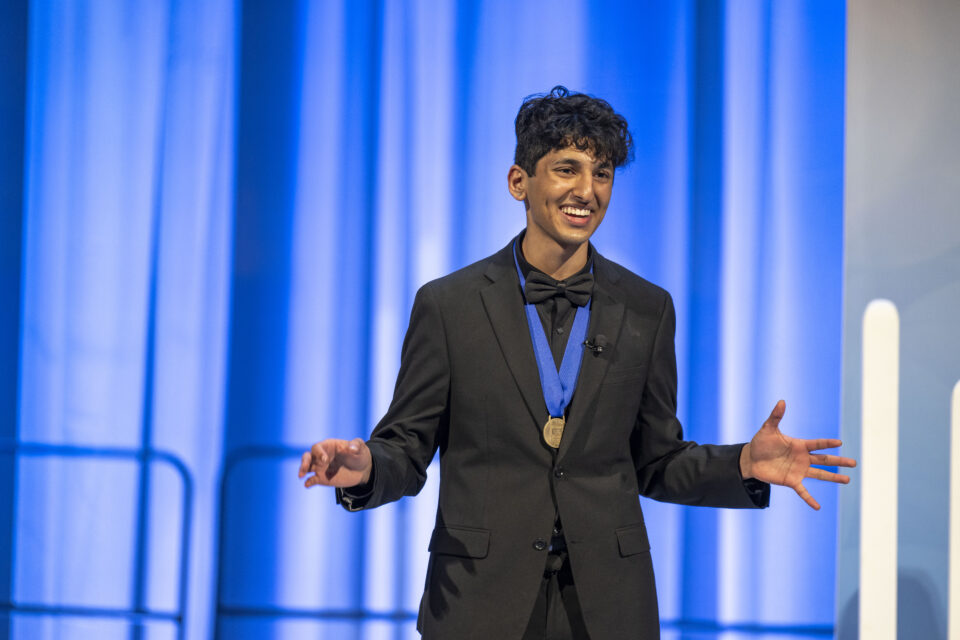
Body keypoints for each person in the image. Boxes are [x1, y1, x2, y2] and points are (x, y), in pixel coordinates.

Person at [299, 86, 855, 640]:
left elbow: (656, 459)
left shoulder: (647, 307)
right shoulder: (449, 305)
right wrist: (366, 467)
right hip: (478, 602)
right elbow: (407, 448)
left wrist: (742, 465)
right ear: (520, 181)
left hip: (608, 609)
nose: (586, 191)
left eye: (603, 173)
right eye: (567, 169)